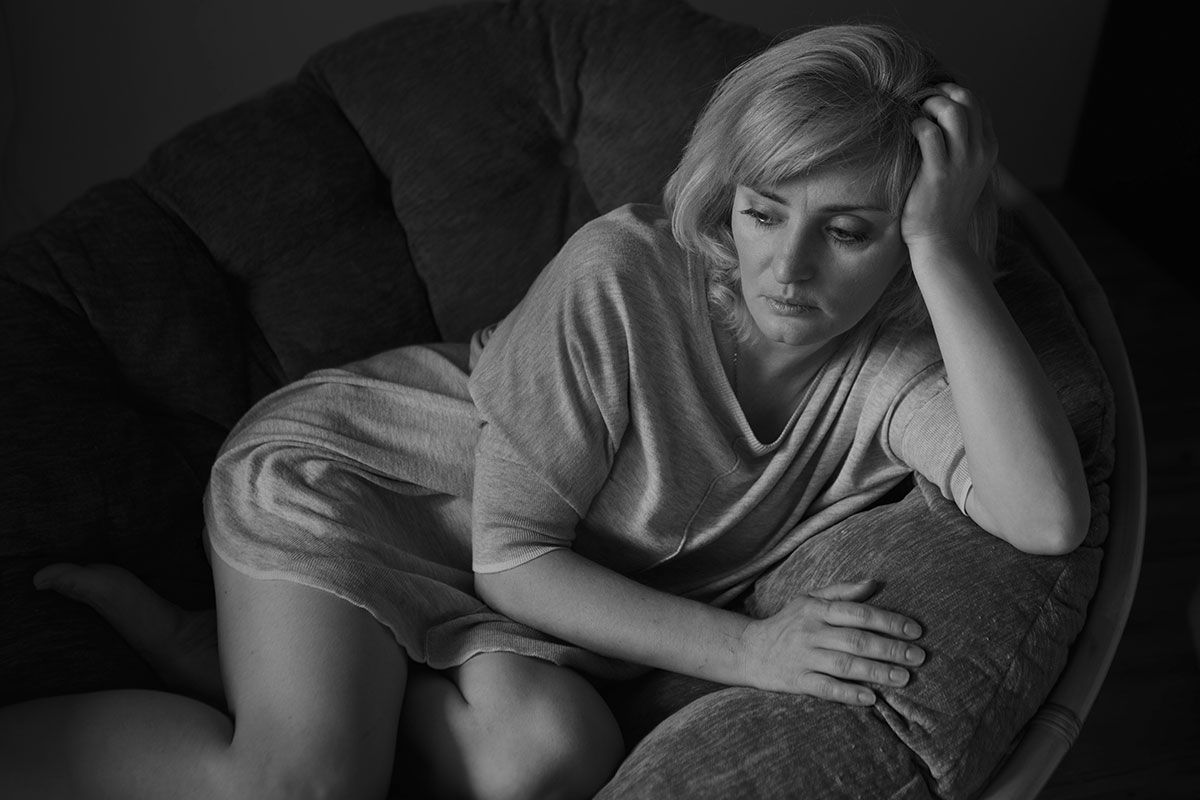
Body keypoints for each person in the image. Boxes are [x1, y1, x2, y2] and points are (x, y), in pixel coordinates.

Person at [0, 21, 1090, 800]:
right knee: (301, 785)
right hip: (366, 481)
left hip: (511, 594)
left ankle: (259, 663)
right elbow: (512, 556)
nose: (787, 267)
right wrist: (754, 651)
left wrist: (945, 252)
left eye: (849, 232)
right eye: (764, 213)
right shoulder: (624, 274)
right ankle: (252, 684)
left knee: (548, 761)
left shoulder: (893, 362)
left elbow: (1046, 518)